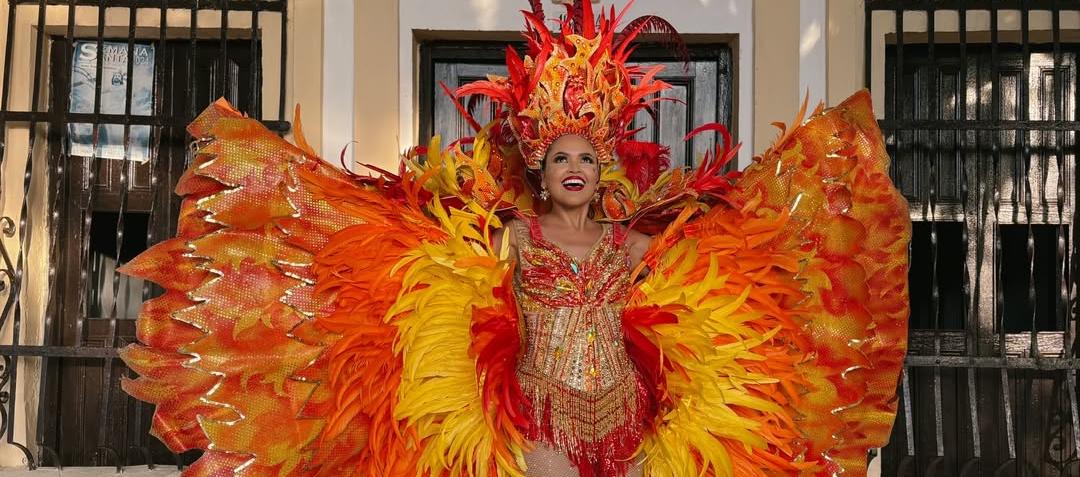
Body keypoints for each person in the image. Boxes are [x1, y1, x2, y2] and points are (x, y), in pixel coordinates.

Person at [118, 2, 911, 476]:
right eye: (560, 155)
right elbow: (431, 268)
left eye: (587, 157)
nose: (574, 168)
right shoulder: (514, 237)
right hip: (539, 440)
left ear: (605, 167)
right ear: (537, 163)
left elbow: (715, 271)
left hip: (633, 439)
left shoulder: (632, 243)